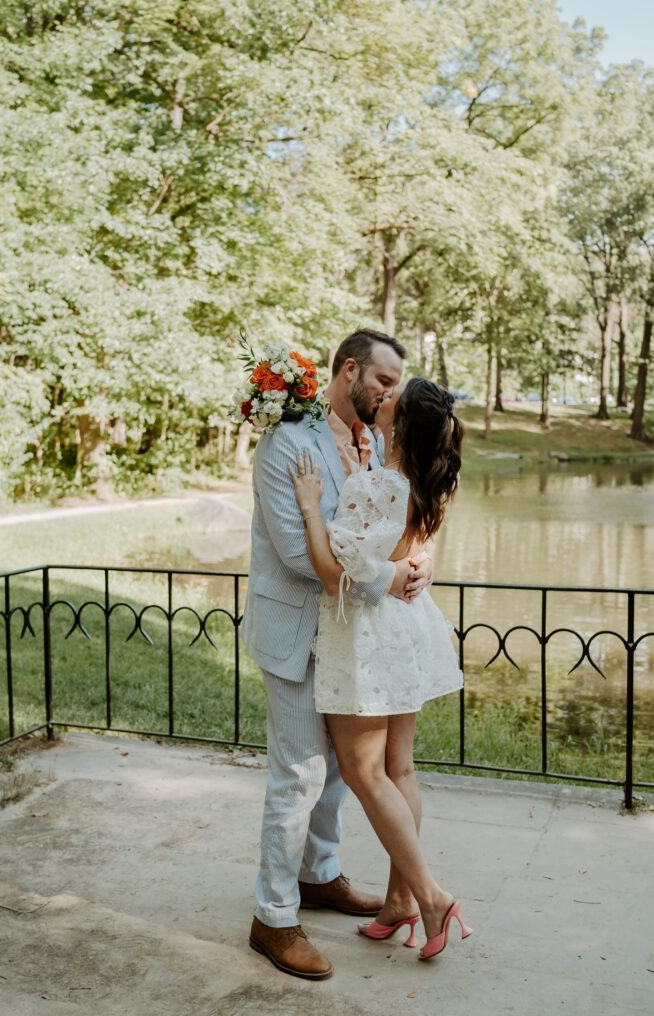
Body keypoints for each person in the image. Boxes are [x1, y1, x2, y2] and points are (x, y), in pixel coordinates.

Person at [242, 329, 434, 980]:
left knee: (337, 774)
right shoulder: (285, 445)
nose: (389, 394)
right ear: (349, 371)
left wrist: (414, 563)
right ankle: (272, 917)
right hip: (297, 630)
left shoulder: (378, 441)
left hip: (352, 634)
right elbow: (301, 554)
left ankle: (319, 876)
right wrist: (388, 578)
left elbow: (384, 526)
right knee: (298, 773)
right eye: (382, 381)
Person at [287, 376, 472, 961]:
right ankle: (399, 904)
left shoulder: (375, 485)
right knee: (400, 768)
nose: (383, 394)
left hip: (364, 638)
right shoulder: (427, 484)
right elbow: (404, 550)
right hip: (406, 631)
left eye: (393, 394)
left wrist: (312, 507)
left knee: (364, 772)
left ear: (400, 419)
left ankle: (431, 896)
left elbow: (331, 570)